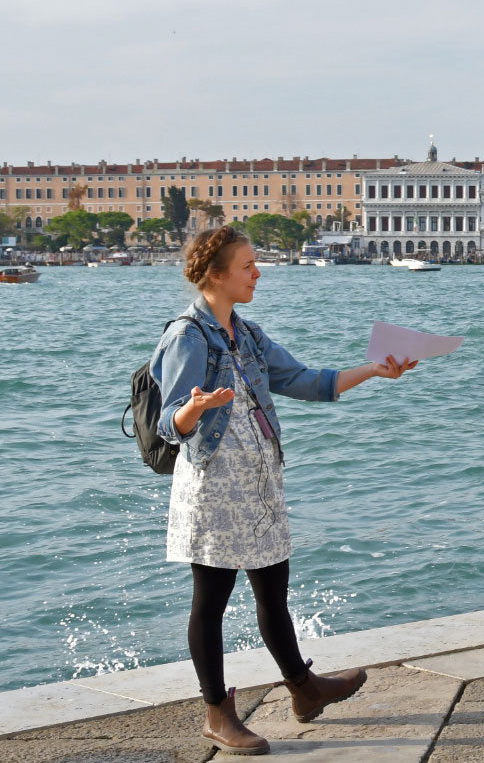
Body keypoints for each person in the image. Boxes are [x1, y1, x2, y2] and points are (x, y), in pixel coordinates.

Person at [151, 226, 417, 755]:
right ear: (217, 274)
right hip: (213, 488)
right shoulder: (186, 336)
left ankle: (303, 688)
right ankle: (216, 713)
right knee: (212, 600)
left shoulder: (247, 334)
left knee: (273, 591)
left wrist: (375, 370)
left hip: (260, 482)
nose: (257, 273)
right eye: (248, 266)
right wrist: (195, 408)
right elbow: (167, 423)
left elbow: (305, 381)